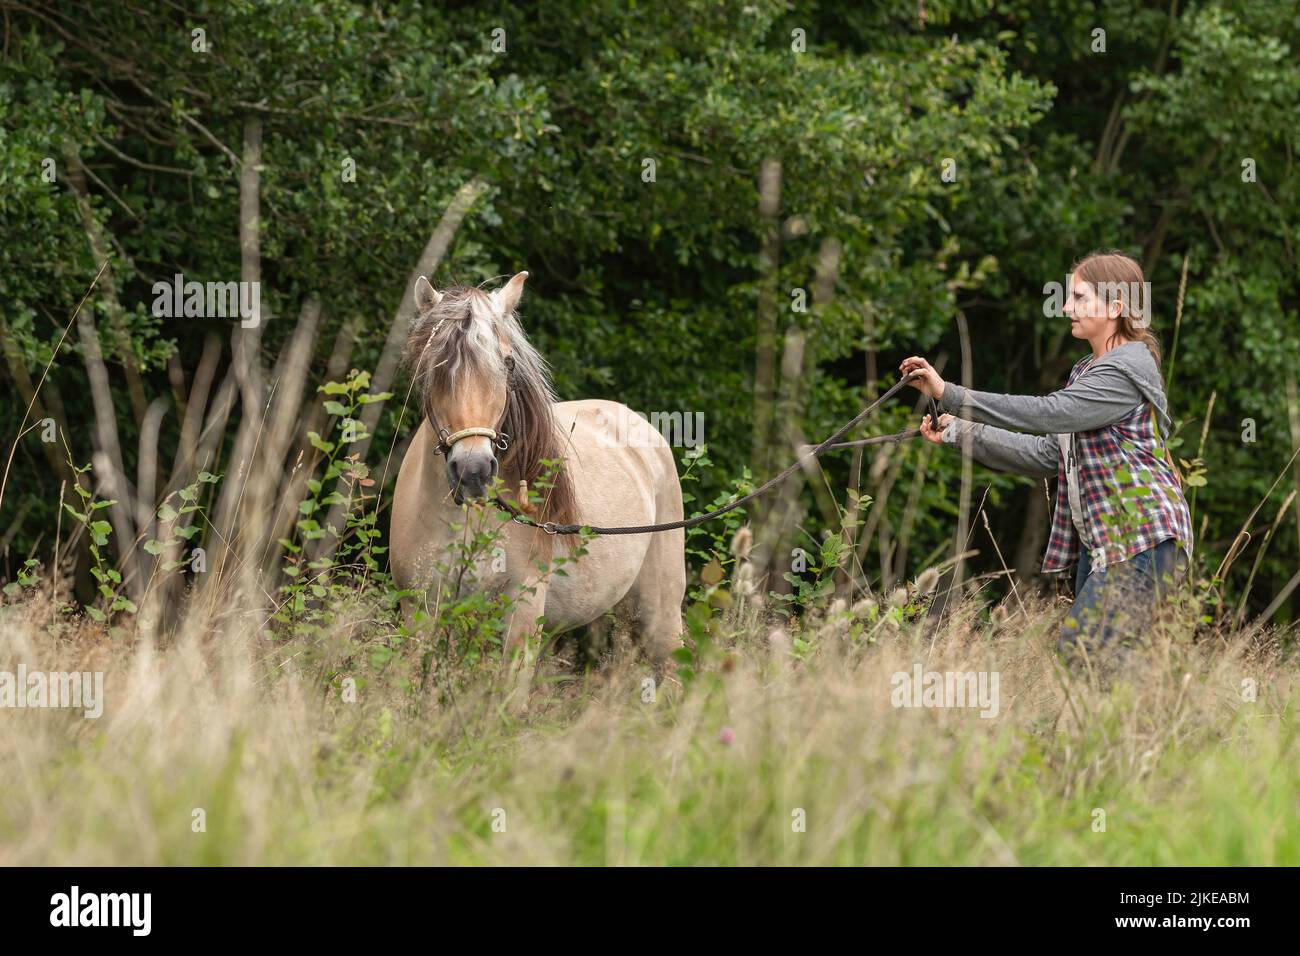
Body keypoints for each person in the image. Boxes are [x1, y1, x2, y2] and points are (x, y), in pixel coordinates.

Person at [900, 250, 1192, 667]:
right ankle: (1154, 726)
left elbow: (1049, 413)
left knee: (1086, 652)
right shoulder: (1090, 371)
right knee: (1100, 660)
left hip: (1141, 537)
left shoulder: (1122, 372)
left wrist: (952, 394)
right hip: (1109, 541)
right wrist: (957, 430)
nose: (1066, 307)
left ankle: (1157, 727)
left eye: (1079, 298)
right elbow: (1046, 453)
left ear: (1115, 306)